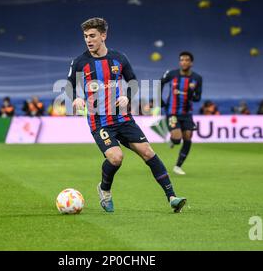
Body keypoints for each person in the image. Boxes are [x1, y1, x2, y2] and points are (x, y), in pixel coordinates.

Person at [66, 17, 186, 213]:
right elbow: (69, 85)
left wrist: (126, 97)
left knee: (147, 152)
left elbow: (133, 82)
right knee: (116, 158)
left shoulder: (119, 59)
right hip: (100, 121)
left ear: (103, 36)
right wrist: (75, 99)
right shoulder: (80, 62)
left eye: (92, 36)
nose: (88, 40)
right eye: (86, 36)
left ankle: (172, 197)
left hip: (123, 118)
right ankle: (104, 189)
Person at [160, 51, 203, 176]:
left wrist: (191, 94)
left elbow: (197, 98)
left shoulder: (197, 78)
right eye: (182, 60)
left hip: (187, 113)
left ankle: (178, 166)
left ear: (191, 63)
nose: (184, 62)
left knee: (188, 137)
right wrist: (160, 100)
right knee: (178, 139)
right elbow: (159, 83)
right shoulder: (172, 74)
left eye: (186, 60)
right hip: (172, 112)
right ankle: (173, 140)